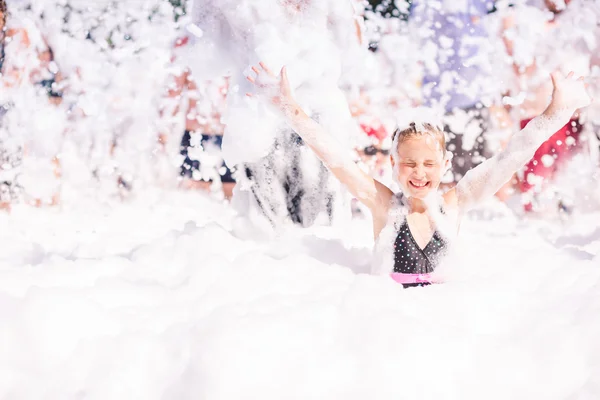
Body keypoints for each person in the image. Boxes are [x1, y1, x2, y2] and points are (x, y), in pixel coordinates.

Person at [246, 62, 590, 287]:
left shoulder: (456, 202)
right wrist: (290, 108)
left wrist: (555, 114)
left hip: (439, 320)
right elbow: (336, 159)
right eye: (409, 164)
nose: (419, 173)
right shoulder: (385, 207)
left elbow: (509, 158)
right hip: (391, 318)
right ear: (394, 163)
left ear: (444, 164)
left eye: (428, 164)